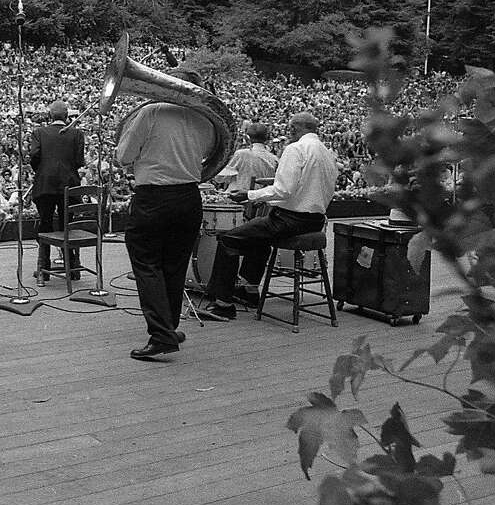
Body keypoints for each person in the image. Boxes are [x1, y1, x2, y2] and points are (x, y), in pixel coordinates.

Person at [116, 69, 216, 360]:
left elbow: (123, 156)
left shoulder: (151, 113)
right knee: (175, 265)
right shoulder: (206, 119)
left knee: (146, 264)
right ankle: (168, 327)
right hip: (188, 197)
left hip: (153, 198)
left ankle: (161, 336)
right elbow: (210, 153)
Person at [200, 111, 339, 320]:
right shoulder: (327, 154)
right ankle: (249, 289)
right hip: (315, 221)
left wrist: (249, 195)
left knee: (228, 240)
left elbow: (284, 190)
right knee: (259, 234)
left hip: (290, 220)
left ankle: (222, 303)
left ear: (293, 128)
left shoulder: (295, 149)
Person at [28, 100, 85, 285]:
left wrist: (43, 169)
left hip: (45, 184)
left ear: (50, 115)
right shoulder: (77, 134)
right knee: (66, 225)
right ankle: (73, 268)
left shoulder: (39, 133)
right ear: (67, 116)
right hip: (69, 185)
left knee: (45, 224)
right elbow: (79, 161)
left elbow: (34, 156)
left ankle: (44, 270)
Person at [216, 122, 279, 194]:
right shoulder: (275, 159)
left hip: (238, 198)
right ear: (267, 138)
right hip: (263, 200)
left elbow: (219, 178)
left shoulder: (241, 154)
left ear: (248, 138)